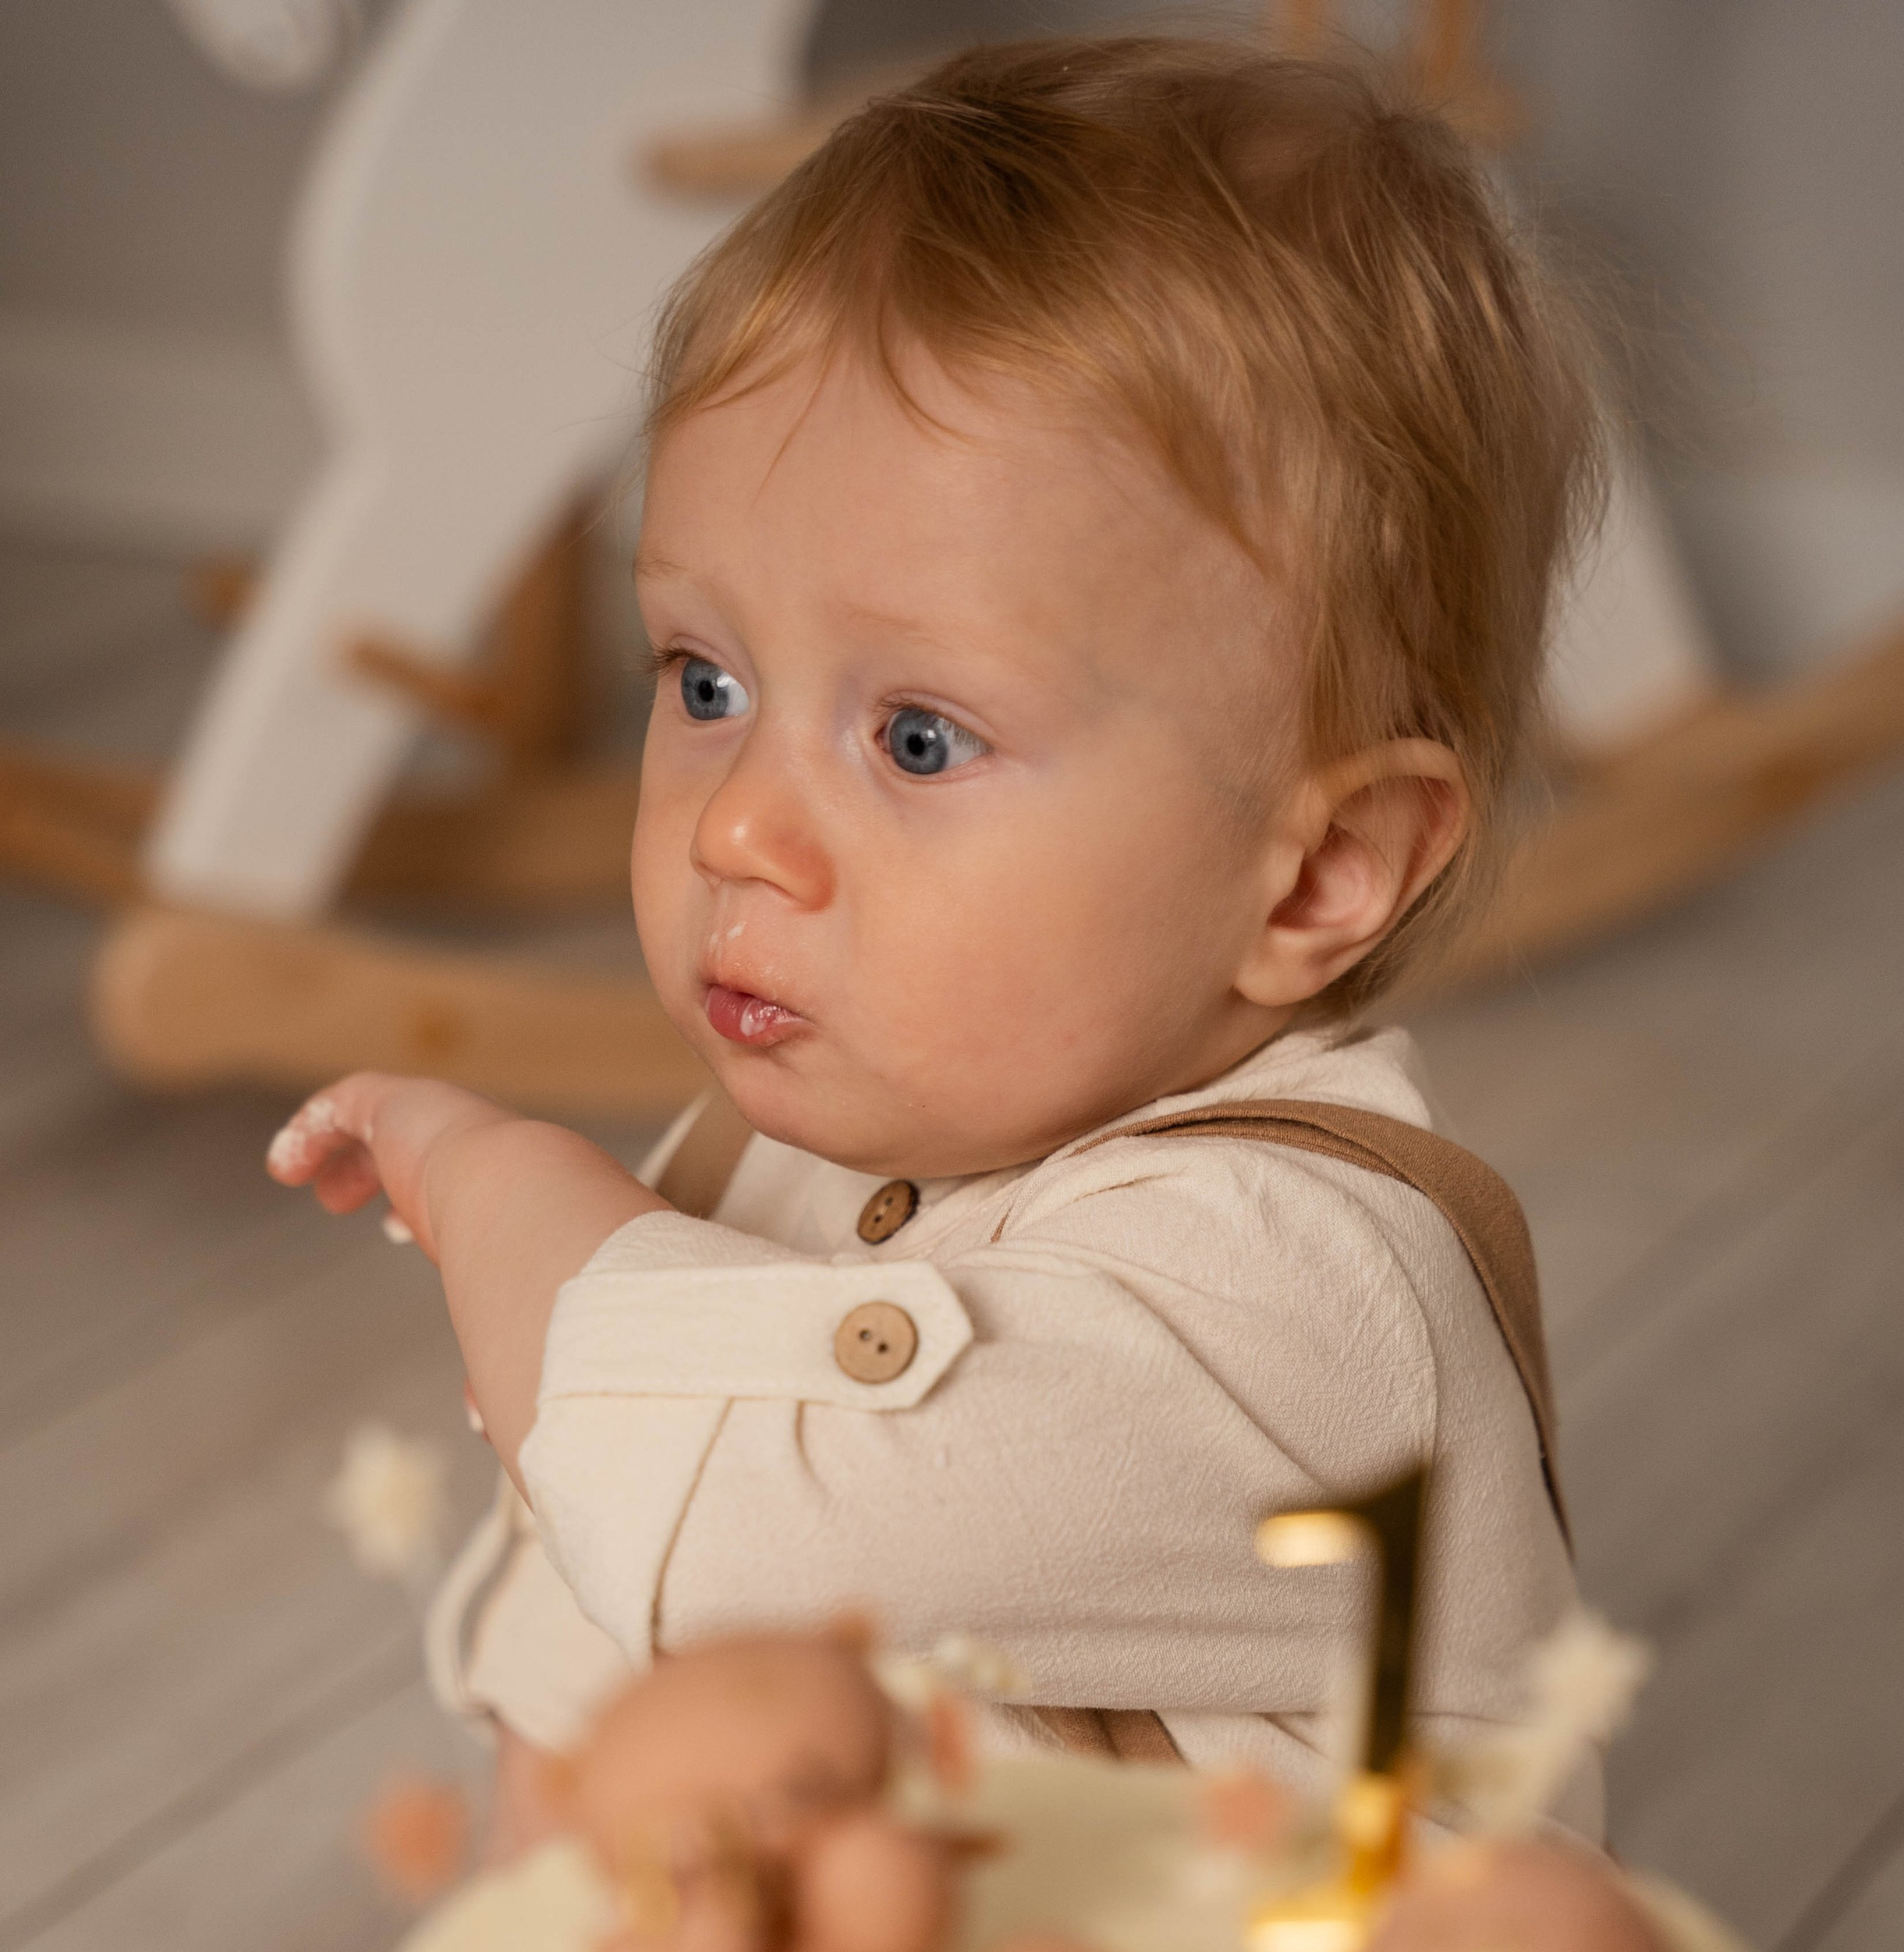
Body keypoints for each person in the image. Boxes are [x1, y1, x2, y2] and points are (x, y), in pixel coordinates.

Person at [266, 32, 1603, 1847]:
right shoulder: (813, 1133)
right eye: (704, 679)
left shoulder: (1294, 1296)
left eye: (916, 738)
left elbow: (727, 1520)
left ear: (1314, 875)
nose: (734, 824)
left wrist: (494, 1175)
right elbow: (595, 1618)